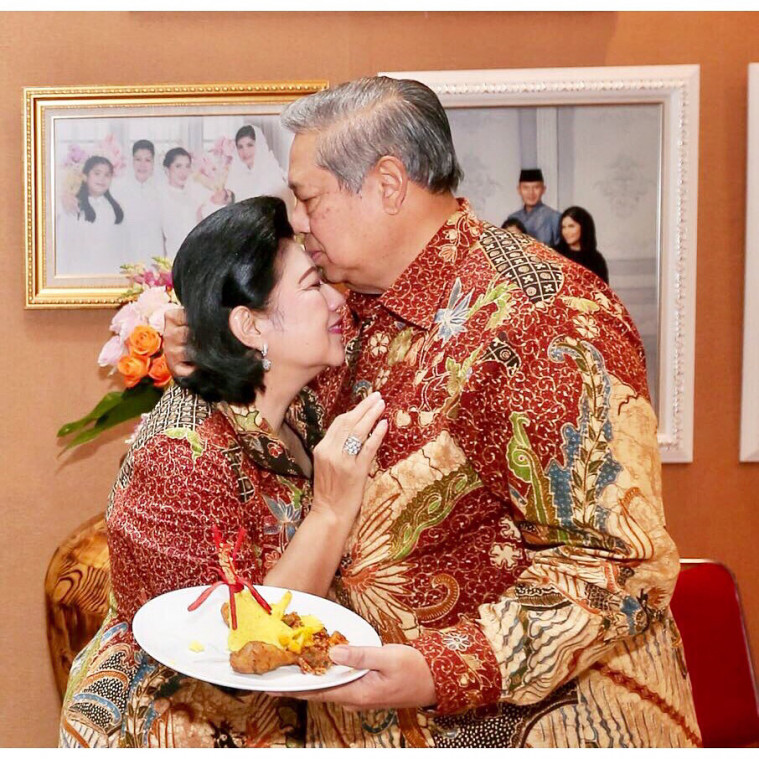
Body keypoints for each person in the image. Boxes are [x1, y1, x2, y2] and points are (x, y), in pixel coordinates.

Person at [164, 76, 700, 748]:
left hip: (551, 727)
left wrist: (439, 669)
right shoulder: (350, 309)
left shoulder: (545, 319)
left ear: (387, 185)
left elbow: (621, 564)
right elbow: (288, 446)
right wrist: (216, 354)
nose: (296, 220)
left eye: (308, 198)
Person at [58, 197, 389, 748]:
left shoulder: (297, 404)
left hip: (281, 704)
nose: (339, 300)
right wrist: (330, 512)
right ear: (250, 325)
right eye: (314, 286)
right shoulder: (182, 456)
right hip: (174, 720)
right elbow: (233, 644)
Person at [56, 155, 128, 275]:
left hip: (109, 273)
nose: (102, 179)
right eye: (97, 173)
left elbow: (122, 248)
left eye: (107, 175)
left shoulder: (115, 209)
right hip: (79, 273)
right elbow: (63, 247)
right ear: (85, 176)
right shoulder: (72, 206)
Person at [114, 139, 165, 261]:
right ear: (132, 161)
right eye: (138, 159)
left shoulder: (162, 190)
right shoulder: (117, 189)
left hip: (154, 251)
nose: (142, 165)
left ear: (154, 162)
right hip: (126, 251)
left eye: (147, 160)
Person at [226, 125, 294, 214]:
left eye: (250, 145)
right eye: (240, 147)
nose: (245, 151)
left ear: (259, 145)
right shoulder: (236, 175)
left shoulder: (271, 172)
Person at [159, 147, 210, 259]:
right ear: (167, 169)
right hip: (171, 259)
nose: (184, 172)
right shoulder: (160, 198)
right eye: (178, 166)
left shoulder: (195, 196)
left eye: (187, 166)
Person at [555, 205, 610, 284]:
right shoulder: (555, 254)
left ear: (583, 227)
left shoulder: (596, 259)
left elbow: (603, 289)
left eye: (571, 226)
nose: (566, 232)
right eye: (563, 227)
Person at [507, 168, 561, 246]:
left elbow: (561, 250)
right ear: (519, 190)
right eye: (526, 188)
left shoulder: (554, 217)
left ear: (543, 189)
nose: (531, 193)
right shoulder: (513, 218)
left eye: (536, 187)